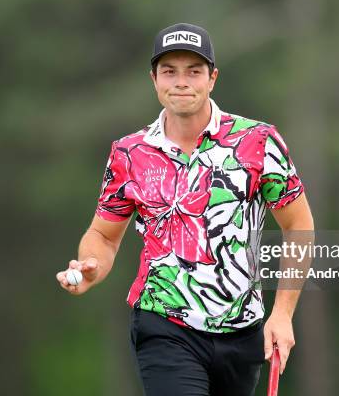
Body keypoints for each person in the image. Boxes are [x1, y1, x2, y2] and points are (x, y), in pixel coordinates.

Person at [56, 22, 314, 396]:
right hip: (164, 325)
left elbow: (299, 224)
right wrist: (90, 269)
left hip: (242, 332)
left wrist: (283, 314)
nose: (181, 82)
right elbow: (103, 236)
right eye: (169, 71)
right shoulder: (130, 153)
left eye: (193, 71)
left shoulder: (258, 142)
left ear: (213, 78)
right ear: (154, 79)